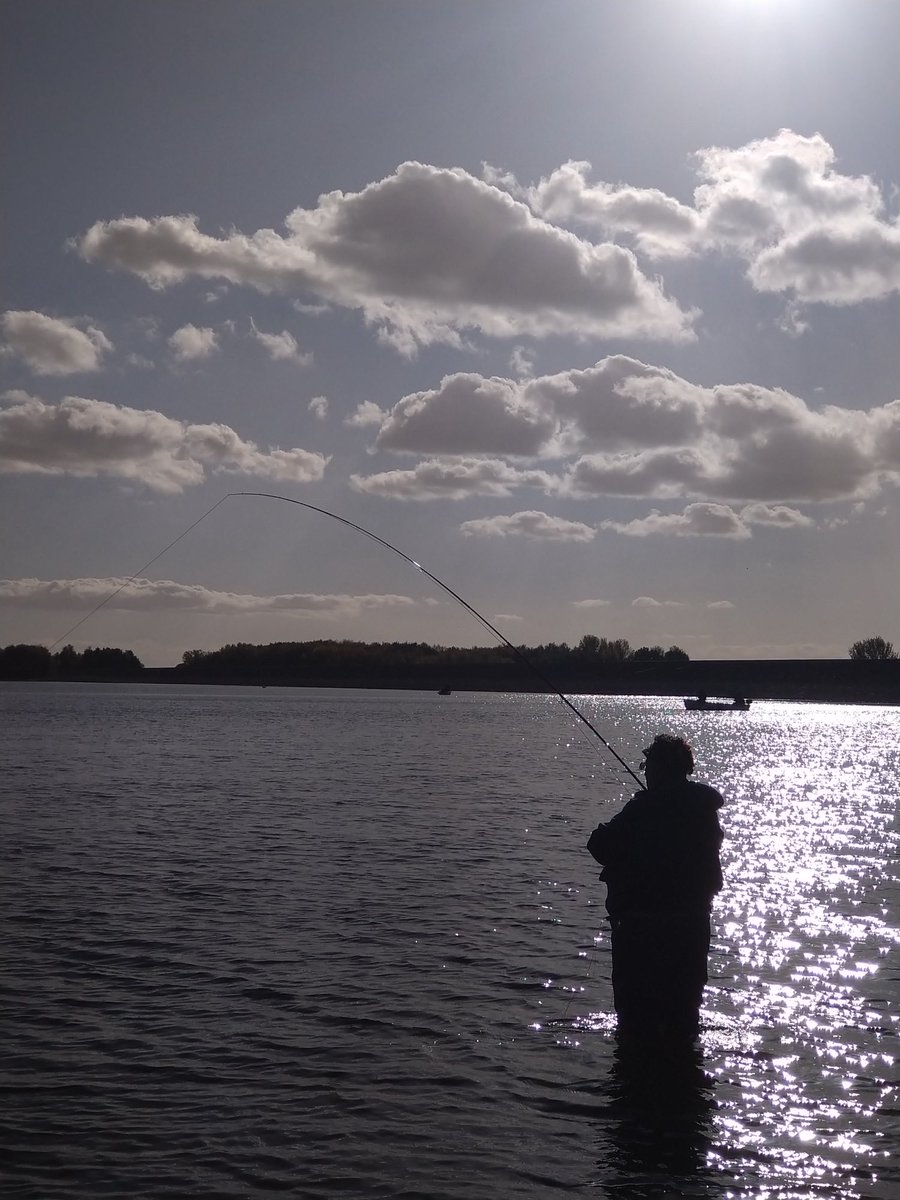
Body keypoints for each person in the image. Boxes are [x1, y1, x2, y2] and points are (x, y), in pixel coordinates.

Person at [587, 734, 724, 1039]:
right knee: (684, 1016)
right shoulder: (704, 810)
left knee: (636, 1022)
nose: (646, 773)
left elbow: (600, 846)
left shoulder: (644, 810)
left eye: (649, 767)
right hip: (691, 929)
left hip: (641, 933)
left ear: (662, 770)